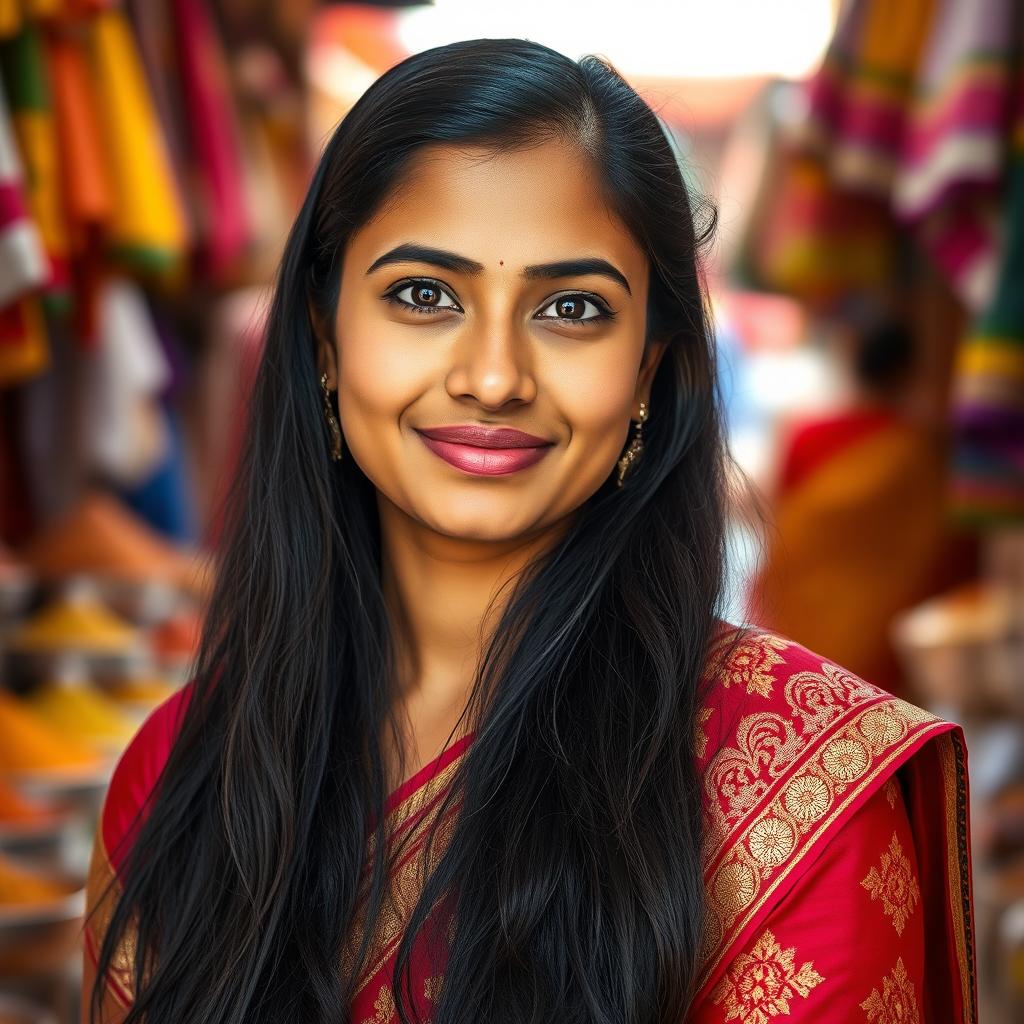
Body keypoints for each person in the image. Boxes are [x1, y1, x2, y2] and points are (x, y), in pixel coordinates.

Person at [81, 39, 977, 1024]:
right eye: (424, 295)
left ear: (647, 371)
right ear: (324, 337)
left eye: (571, 308)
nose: (494, 375)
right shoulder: (179, 776)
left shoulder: (798, 805)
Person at [745, 311, 978, 698]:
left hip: (809, 613)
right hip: (886, 616)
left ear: (855, 363)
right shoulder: (923, 451)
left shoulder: (808, 433)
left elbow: (783, 523)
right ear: (908, 372)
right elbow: (945, 536)